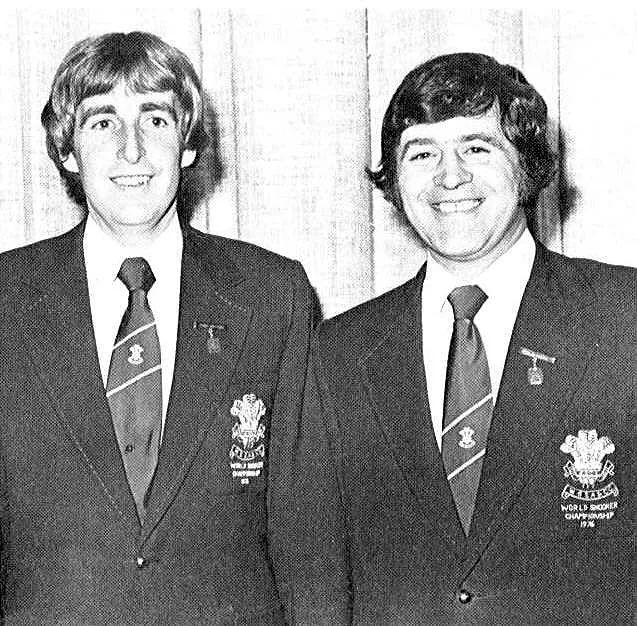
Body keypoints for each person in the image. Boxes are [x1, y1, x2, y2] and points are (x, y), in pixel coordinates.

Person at [285, 53, 636, 624]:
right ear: (395, 181)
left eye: (477, 148)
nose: (450, 177)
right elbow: (316, 577)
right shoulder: (338, 353)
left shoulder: (624, 318)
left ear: (528, 164)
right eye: (422, 153)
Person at [0, 31, 315, 624]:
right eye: (103, 123)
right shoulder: (8, 298)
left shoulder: (271, 294)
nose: (132, 150)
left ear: (188, 145)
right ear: (67, 152)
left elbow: (306, 523)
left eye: (155, 120)